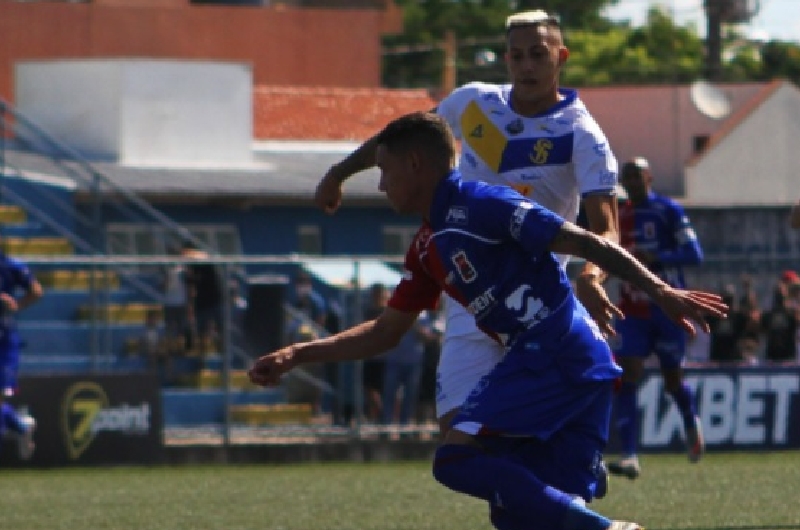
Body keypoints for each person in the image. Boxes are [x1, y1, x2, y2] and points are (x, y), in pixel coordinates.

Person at [250, 112, 727, 530]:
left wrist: (661, 292)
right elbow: (385, 331)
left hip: (557, 350)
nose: (381, 184)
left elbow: (589, 243)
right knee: (518, 516)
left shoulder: (484, 205)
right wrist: (298, 353)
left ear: (415, 164)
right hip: (560, 364)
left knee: (455, 459)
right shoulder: (426, 246)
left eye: (385, 170)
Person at [313, 9, 620, 455]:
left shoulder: (582, 134)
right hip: (467, 295)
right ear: (506, 60)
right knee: (458, 438)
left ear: (561, 56)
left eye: (538, 54)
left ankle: (566, 484)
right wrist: (338, 173)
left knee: (500, 442)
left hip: (535, 303)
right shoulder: (474, 104)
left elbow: (607, 227)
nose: (527, 66)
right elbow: (403, 140)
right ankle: (555, 485)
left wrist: (592, 275)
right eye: (517, 56)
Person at [607, 156, 705, 480]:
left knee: (672, 377)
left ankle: (690, 421)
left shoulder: (668, 210)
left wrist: (658, 258)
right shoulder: (617, 214)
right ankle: (629, 455)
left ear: (649, 177)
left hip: (666, 307)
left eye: (637, 176)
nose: (632, 183)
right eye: (627, 178)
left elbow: (695, 254)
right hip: (631, 309)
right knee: (627, 374)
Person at [0, 241, 43, 461]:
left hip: (4, 343)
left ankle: (19, 425)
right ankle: (20, 425)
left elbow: (36, 290)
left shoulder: (10, 266)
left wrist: (15, 305)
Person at [381, 304, 440, 428]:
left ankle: (404, 427)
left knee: (410, 396)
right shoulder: (395, 310)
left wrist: (415, 325)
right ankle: (386, 426)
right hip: (394, 360)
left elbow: (428, 338)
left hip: (414, 362)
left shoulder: (423, 315)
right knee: (389, 394)